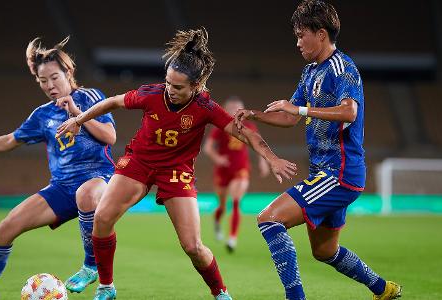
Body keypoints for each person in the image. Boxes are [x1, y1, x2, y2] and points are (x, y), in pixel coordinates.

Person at [56, 28, 297, 300]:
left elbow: (246, 133)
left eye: (178, 87)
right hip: (139, 162)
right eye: (168, 83)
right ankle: (106, 286)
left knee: (193, 246)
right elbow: (112, 102)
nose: (170, 90)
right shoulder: (151, 94)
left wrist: (272, 158)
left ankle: (220, 292)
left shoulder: (205, 108)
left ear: (196, 86)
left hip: (176, 172)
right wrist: (78, 120)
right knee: (102, 218)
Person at [236, 1, 402, 299]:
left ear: (321, 34)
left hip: (339, 173)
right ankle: (383, 289)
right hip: (326, 172)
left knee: (269, 218)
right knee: (325, 250)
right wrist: (256, 115)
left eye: (302, 35)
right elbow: (289, 116)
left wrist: (300, 108)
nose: (298, 43)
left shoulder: (343, 67)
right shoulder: (310, 71)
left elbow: (349, 112)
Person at [0, 37, 116, 300]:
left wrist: (77, 113)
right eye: (43, 81)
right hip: (62, 187)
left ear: (68, 73)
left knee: (86, 193)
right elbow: (9, 141)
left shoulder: (90, 97)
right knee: (6, 227)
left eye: (54, 77)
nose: (49, 85)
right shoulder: (42, 115)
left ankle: (90, 266)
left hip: (99, 177)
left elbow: (110, 137)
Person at [203, 97, 270, 253]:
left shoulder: (249, 126)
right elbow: (208, 148)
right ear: (226, 110)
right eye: (232, 108)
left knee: (235, 202)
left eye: (239, 108)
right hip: (223, 171)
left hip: (241, 169)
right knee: (222, 205)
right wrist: (217, 158)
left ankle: (232, 238)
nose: (236, 110)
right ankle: (217, 222)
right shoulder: (220, 127)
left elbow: (258, 144)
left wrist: (263, 161)